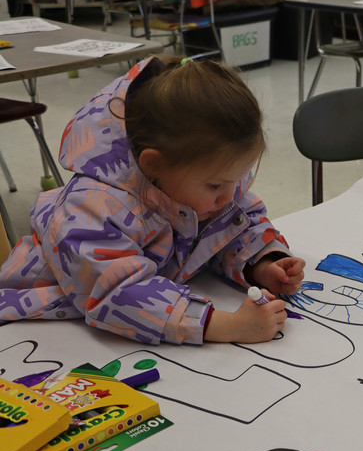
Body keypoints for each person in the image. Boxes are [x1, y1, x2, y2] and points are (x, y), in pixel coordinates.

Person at [0, 56, 306, 345]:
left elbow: (234, 228)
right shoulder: (91, 211)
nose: (229, 196)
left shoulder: (200, 188)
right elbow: (120, 295)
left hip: (100, 331)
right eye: (215, 184)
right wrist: (224, 325)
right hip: (37, 324)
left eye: (238, 179)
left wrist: (262, 263)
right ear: (153, 165)